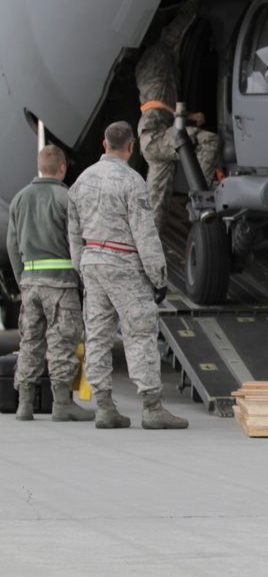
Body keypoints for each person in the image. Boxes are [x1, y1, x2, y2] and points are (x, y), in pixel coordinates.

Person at [67, 122, 188, 430]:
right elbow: (145, 233)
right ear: (131, 147)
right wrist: (158, 276)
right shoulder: (131, 181)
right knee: (140, 331)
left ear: (104, 144)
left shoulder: (80, 182)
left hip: (92, 262)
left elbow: (73, 231)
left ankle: (104, 406)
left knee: (97, 333)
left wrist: (82, 265)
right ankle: (151, 406)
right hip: (123, 264)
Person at [6, 145, 94, 422]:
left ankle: (25, 404)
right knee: (62, 343)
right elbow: (77, 241)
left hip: (30, 283)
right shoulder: (66, 197)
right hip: (61, 284)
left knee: (30, 341)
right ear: (62, 168)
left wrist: (23, 278)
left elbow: (12, 243)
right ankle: (61, 403)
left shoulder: (19, 198)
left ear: (39, 166)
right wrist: (82, 279)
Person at [135, 0, 221, 234]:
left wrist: (188, 117)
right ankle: (202, 201)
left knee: (155, 205)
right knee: (210, 143)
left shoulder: (153, 67)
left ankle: (147, 250)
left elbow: (159, 104)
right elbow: (177, 28)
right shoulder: (157, 57)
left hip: (153, 139)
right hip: (158, 135)